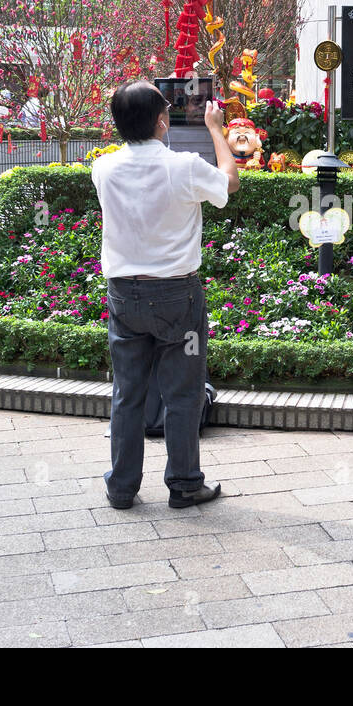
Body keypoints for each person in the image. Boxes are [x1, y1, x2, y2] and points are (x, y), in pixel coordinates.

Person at [91, 81, 239, 510]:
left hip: (124, 298)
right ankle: (184, 483)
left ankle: (122, 487)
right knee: (184, 392)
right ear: (161, 121)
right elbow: (230, 184)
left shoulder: (104, 168)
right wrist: (216, 128)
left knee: (127, 392)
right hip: (178, 297)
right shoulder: (185, 166)